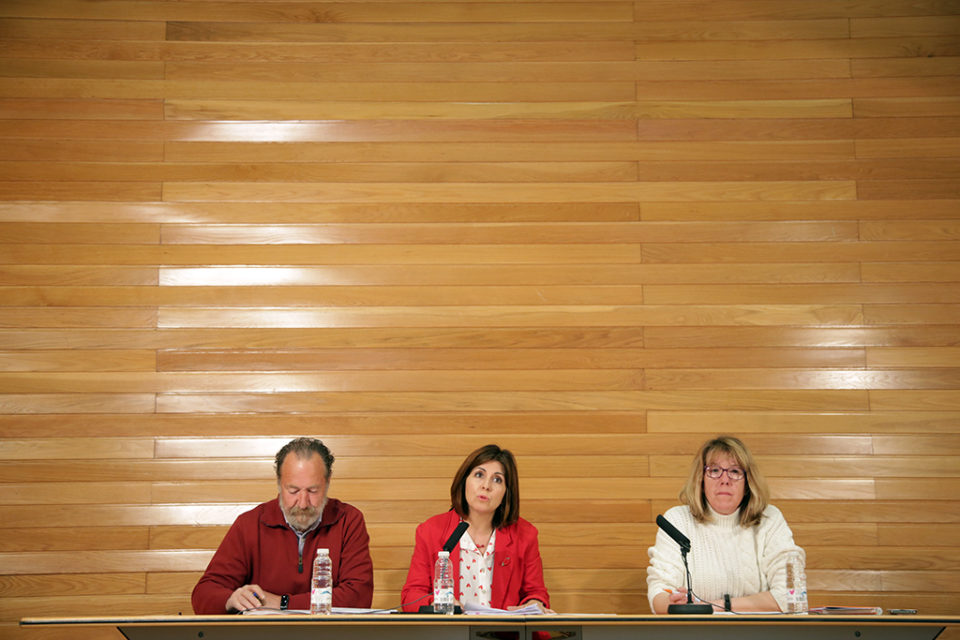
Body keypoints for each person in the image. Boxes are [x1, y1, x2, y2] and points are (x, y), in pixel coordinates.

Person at [192, 437, 373, 613]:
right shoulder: (249, 524)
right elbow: (203, 593)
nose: (303, 503)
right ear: (279, 483)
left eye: (313, 490)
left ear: (327, 482)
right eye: (293, 491)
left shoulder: (348, 520)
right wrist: (230, 599)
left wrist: (283, 603)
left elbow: (359, 596)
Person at [647, 435, 804, 614]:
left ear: (747, 483)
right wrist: (673, 602)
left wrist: (713, 606)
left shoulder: (770, 519)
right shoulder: (677, 521)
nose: (724, 479)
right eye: (714, 470)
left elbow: (793, 596)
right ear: (701, 480)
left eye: (735, 471)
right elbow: (658, 594)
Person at [401, 444, 552, 613]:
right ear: (464, 481)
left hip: (504, 628)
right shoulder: (431, 531)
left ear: (506, 492)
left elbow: (535, 593)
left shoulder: (525, 535)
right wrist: (439, 603)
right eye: (479, 475)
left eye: (497, 480)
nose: (486, 486)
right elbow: (411, 597)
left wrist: (535, 603)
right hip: (449, 628)